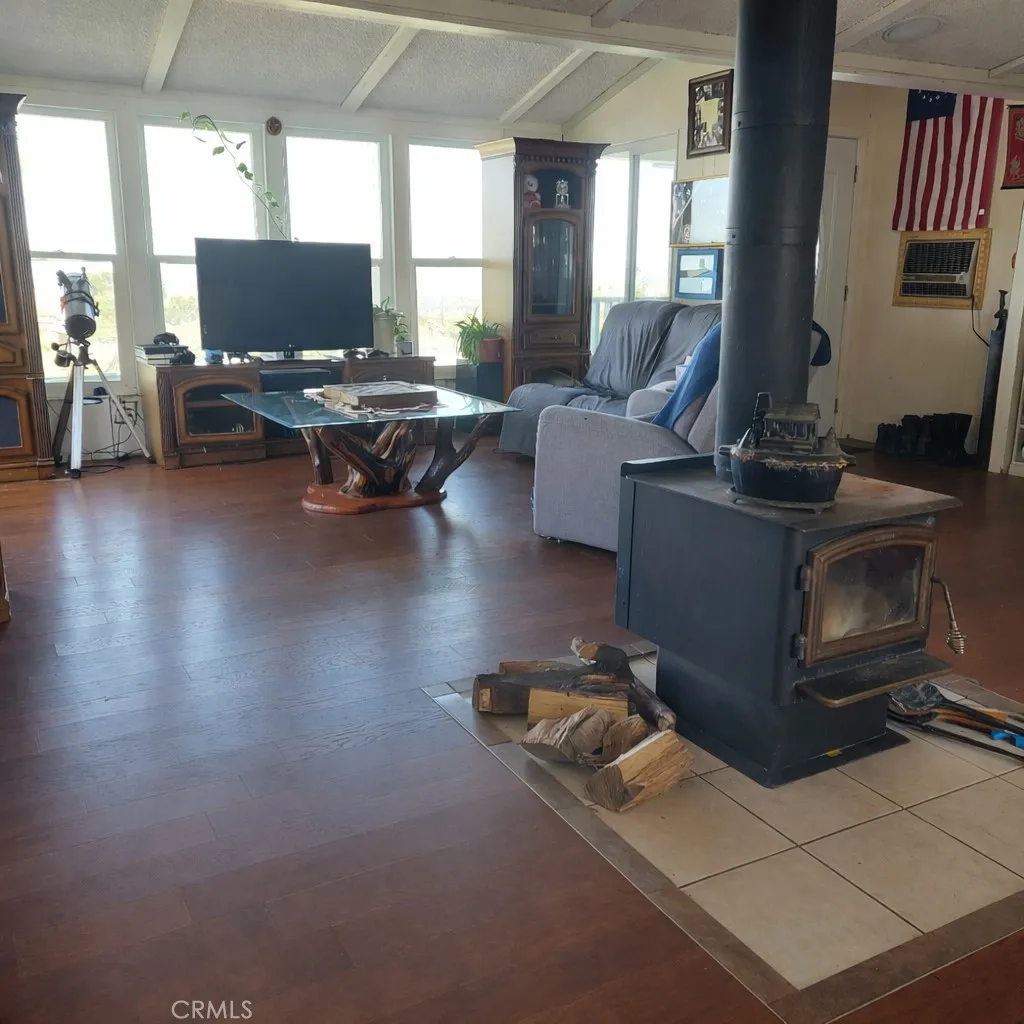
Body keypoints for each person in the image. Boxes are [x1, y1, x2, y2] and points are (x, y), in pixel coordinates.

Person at [650, 319, 831, 432]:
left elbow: (688, 425)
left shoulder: (734, 327)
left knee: (639, 401)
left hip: (683, 445)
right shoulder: (806, 334)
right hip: (749, 435)